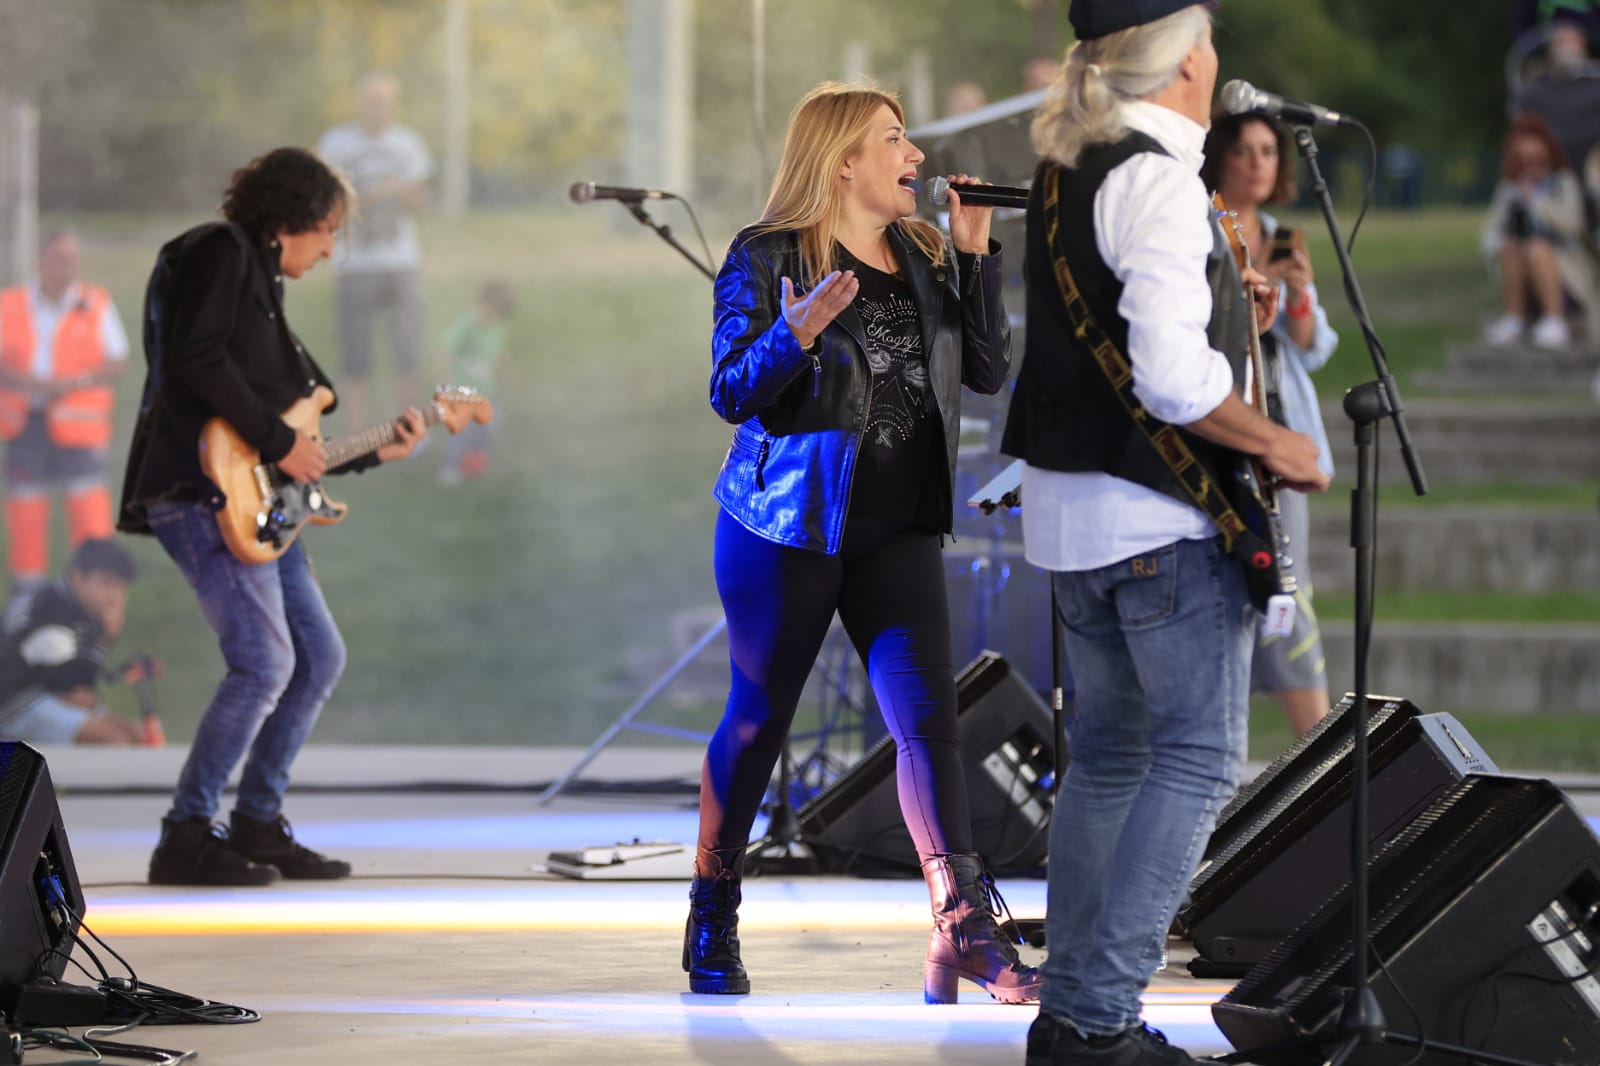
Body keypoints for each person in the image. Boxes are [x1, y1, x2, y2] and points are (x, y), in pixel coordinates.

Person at [1002, 4, 1328, 1064]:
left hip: (1074, 520)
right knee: (1194, 758)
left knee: (1104, 762)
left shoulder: (1071, 162)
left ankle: (1072, 1016)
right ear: (1190, 62)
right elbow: (1173, 380)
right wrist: (1276, 442)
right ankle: (1094, 1020)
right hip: (1158, 519)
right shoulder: (1153, 176)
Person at [690, 81, 1038, 1006]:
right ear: (844, 159)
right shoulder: (766, 257)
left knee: (930, 726)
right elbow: (731, 390)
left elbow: (991, 372)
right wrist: (793, 334)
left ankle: (962, 931)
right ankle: (711, 913)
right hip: (789, 524)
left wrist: (973, 258)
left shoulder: (925, 253)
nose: (916, 157)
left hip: (898, 525)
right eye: (896, 140)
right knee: (760, 718)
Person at [118, 147, 425, 887]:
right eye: (329, 232)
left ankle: (256, 820)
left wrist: (364, 452)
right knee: (265, 663)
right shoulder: (219, 250)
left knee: (317, 657)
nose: (331, 249)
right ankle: (186, 834)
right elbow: (198, 360)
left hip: (253, 501)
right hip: (200, 494)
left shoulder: (260, 287)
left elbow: (287, 440)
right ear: (297, 218)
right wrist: (283, 439)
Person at [1201, 111, 1337, 738]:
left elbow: (1312, 346)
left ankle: (1321, 756)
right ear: (1221, 158)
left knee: (1290, 584)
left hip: (1278, 428)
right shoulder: (1199, 226)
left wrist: (1298, 295)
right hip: (1216, 423)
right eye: (1245, 150)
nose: (1258, 163)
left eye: (1268, 152)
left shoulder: (1285, 235)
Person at [0, 229, 129, 607]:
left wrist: (77, 381)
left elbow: (117, 362)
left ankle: (94, 602)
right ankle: (26, 608)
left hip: (79, 427)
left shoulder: (95, 303)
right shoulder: (10, 304)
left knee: (90, 519)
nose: (68, 269)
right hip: (26, 424)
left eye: (73, 260)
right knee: (26, 516)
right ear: (41, 261)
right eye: (60, 260)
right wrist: (21, 380)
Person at [316, 73, 433, 431]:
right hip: (355, 264)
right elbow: (328, 205)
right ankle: (357, 433)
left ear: (394, 106)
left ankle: (411, 432)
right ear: (359, 104)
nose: (378, 110)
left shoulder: (409, 144)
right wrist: (369, 195)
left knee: (407, 349)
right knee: (356, 353)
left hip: (400, 263)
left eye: (385, 103)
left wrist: (400, 191)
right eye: (371, 102)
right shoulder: (335, 144)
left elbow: (419, 205)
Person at [0, 537, 147, 744]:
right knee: (113, 740)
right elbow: (72, 686)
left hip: (42, 693)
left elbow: (74, 688)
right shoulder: (50, 609)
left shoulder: (77, 606)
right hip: (13, 703)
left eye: (120, 588)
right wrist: (104, 640)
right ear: (78, 577)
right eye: (107, 584)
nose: (114, 597)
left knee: (138, 734)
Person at [1480, 113, 1593, 350]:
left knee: (1537, 248)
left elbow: (1575, 225)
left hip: (1564, 274)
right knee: (1513, 247)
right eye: (1524, 162)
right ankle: (1514, 317)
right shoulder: (1510, 188)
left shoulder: (1562, 182)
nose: (1531, 169)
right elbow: (1491, 231)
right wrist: (1504, 242)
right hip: (1523, 272)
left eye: (1536, 161)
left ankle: (1555, 320)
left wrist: (1539, 204)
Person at [436, 280, 516, 484]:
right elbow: (447, 351)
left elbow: (498, 352)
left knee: (487, 428)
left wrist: (510, 373)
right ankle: (452, 467)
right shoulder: (466, 324)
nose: (495, 319)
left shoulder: (496, 327)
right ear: (485, 303)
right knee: (461, 431)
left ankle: (477, 463)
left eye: (499, 315)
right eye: (493, 312)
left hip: (486, 391)